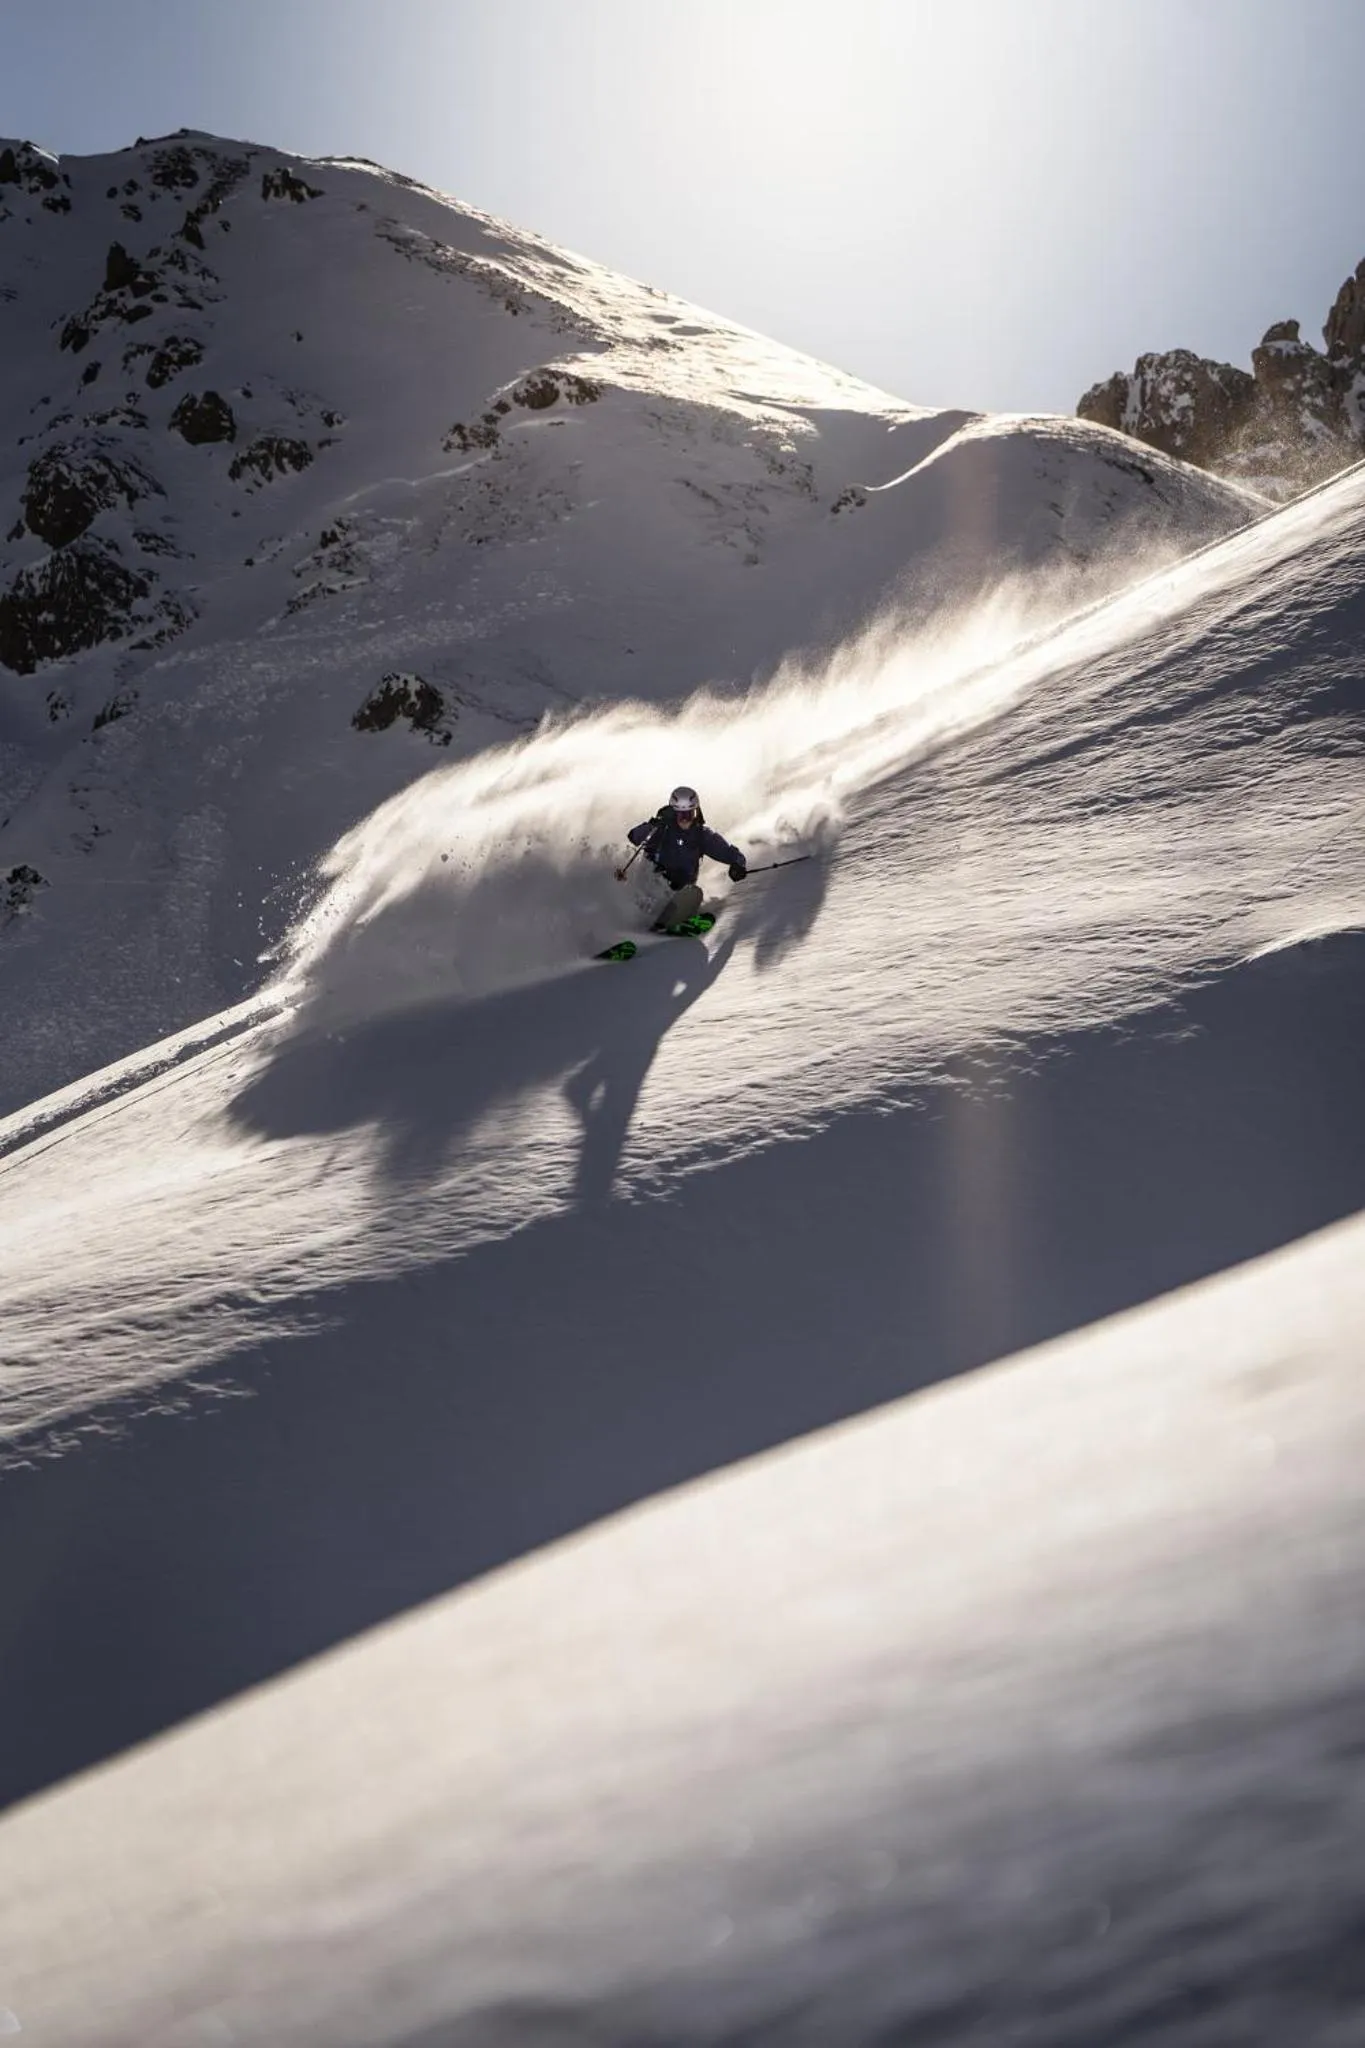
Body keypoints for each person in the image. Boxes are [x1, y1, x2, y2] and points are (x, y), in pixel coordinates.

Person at [626, 785, 747, 929]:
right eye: (681, 815)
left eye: (689, 815)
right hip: (652, 885)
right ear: (673, 813)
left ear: (696, 813)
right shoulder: (661, 829)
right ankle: (648, 917)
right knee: (658, 883)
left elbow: (727, 851)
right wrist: (654, 823)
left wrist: (738, 865)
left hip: (680, 889)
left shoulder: (702, 835)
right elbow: (634, 836)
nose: (685, 820)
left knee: (691, 891)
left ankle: (676, 914)